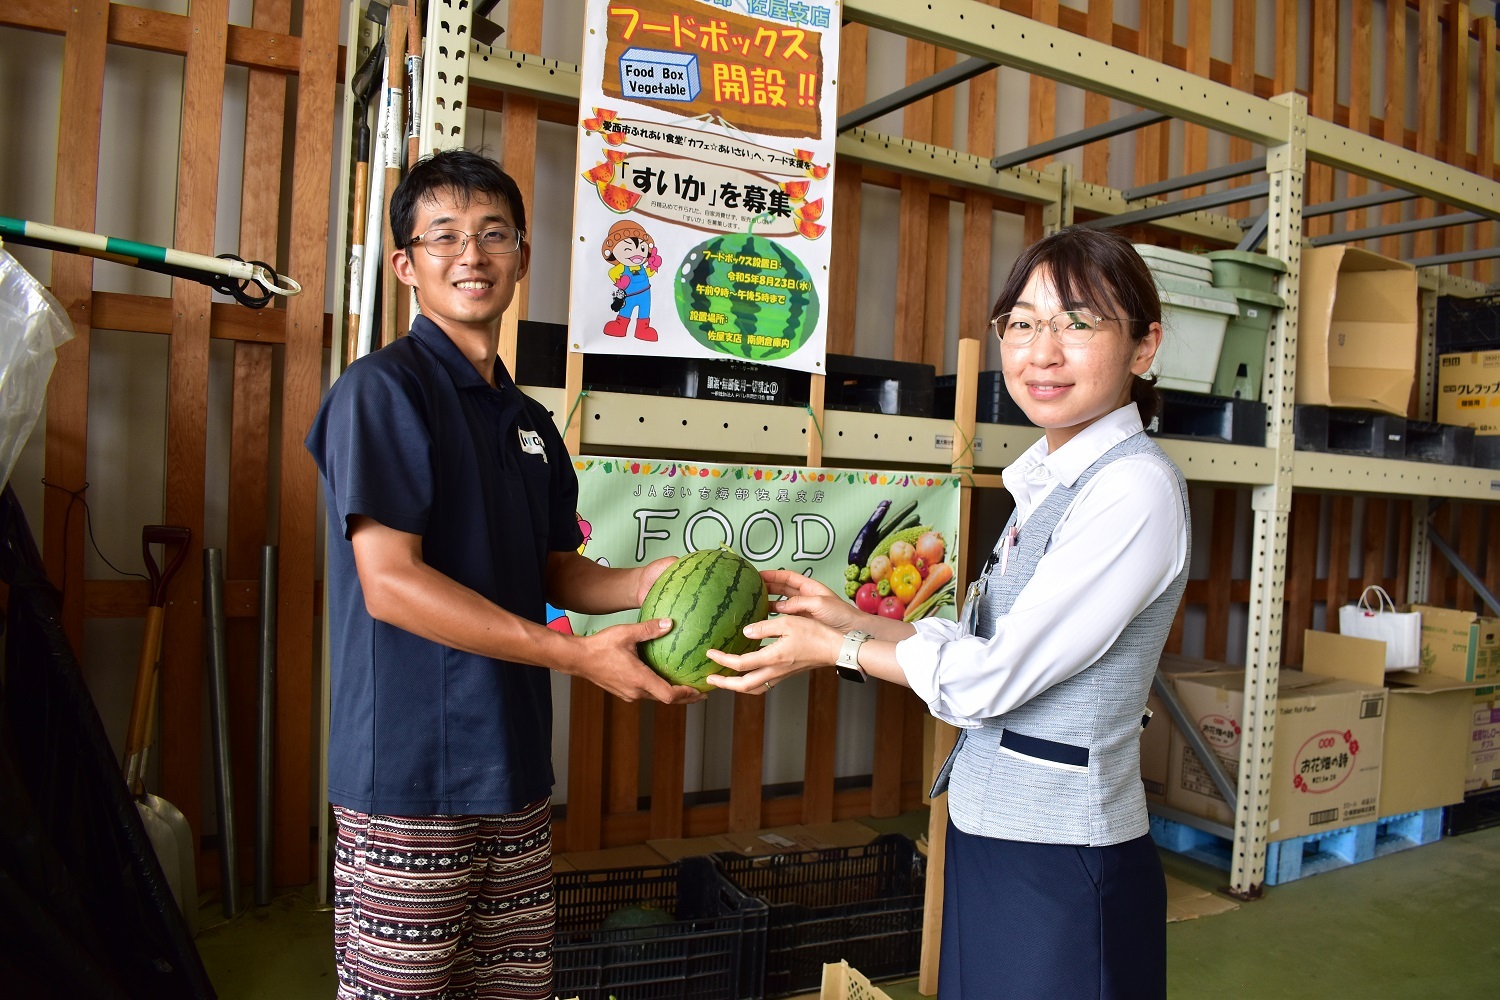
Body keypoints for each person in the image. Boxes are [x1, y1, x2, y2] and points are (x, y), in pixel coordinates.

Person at [707, 226, 1190, 1000]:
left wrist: (835, 652)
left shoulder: (1131, 489)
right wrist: (847, 622)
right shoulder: (1049, 482)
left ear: (1143, 346)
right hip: (993, 829)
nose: (1043, 351)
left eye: (1080, 322)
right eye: (1024, 323)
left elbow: (989, 680)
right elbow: (978, 644)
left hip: (1063, 855)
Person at [305, 148, 701, 1000]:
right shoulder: (383, 391)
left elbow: (556, 569)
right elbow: (390, 583)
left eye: (494, 234)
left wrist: (648, 582)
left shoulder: (526, 420)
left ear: (522, 255)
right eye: (443, 236)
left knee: (511, 989)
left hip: (513, 770)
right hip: (410, 780)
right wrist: (576, 658)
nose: (472, 256)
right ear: (407, 265)